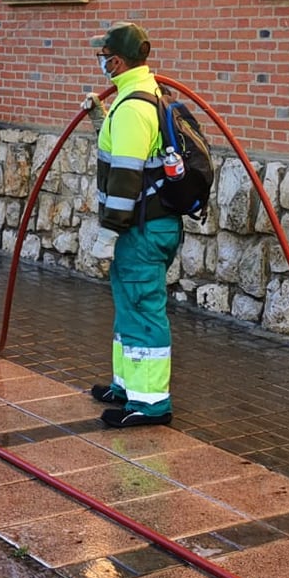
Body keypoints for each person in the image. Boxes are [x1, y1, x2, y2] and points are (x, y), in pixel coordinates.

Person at [87, 21, 184, 428]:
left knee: (143, 308)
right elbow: (126, 151)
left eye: (103, 55)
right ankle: (127, 386)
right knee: (130, 303)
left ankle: (151, 404)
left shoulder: (134, 107)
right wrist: (100, 118)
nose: (100, 62)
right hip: (147, 225)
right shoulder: (140, 98)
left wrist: (107, 233)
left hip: (141, 229)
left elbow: (126, 177)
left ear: (118, 60)